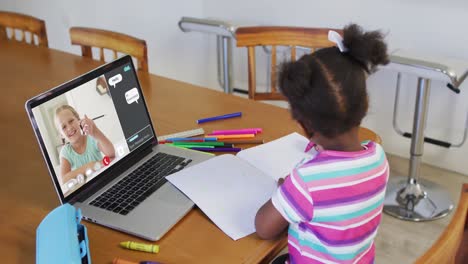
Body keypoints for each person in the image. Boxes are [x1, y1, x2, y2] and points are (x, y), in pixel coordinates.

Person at [255, 24, 390, 264]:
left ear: (304, 123)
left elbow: (263, 228)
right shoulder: (379, 157)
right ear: (364, 104)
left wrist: (285, 191)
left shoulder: (306, 182)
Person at [54, 105, 115, 185]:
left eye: (71, 121)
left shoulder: (91, 138)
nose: (69, 128)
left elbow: (111, 153)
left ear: (79, 120)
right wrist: (91, 166)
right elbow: (65, 179)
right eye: (64, 127)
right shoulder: (66, 152)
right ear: (61, 135)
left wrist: (96, 131)